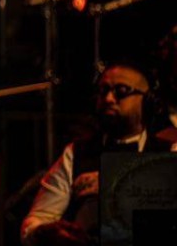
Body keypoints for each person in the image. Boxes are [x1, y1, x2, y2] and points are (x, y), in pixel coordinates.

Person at [21, 62, 174, 245]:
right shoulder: (76, 153)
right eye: (103, 91)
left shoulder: (169, 151)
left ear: (148, 102)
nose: (108, 98)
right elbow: (37, 220)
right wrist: (43, 232)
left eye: (121, 91)